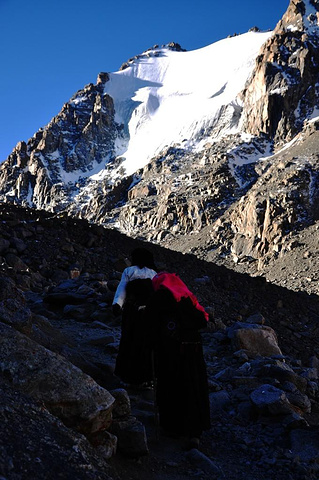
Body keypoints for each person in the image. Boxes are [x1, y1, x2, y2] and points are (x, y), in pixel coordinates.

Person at [149, 271, 211, 449]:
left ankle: (172, 427)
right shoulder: (187, 297)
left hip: (170, 351)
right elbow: (202, 320)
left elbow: (152, 325)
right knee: (193, 386)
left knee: (171, 386)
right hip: (193, 350)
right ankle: (194, 431)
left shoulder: (159, 298)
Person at [112, 247, 157, 385]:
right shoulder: (154, 273)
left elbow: (122, 289)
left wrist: (117, 304)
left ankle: (127, 376)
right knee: (145, 343)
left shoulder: (129, 271)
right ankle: (146, 377)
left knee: (129, 340)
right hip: (148, 313)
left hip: (132, 311)